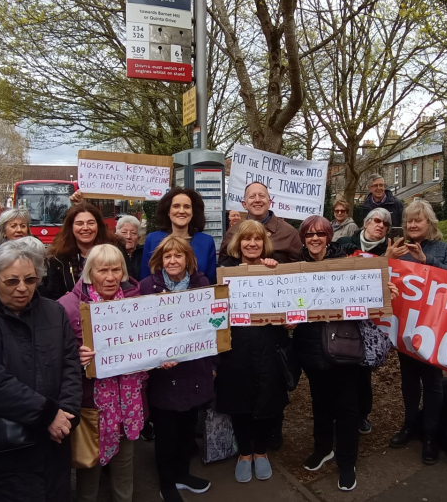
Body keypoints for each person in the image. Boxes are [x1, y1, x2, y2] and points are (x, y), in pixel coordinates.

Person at [0, 239, 81, 502]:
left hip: (53, 443)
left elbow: (70, 364)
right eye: (12, 281)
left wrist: (66, 414)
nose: (22, 288)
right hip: (3, 450)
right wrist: (48, 414)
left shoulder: (54, 312)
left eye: (31, 280)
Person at [58, 244, 145, 502]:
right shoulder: (68, 306)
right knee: (89, 465)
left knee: (125, 462)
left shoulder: (136, 303)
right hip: (92, 404)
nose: (110, 277)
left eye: (116, 269)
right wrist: (76, 358)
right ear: (89, 273)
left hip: (129, 401)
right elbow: (51, 356)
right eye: (103, 270)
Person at [140, 236, 214, 502]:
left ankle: (184, 474)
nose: (172, 261)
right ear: (160, 260)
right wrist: (159, 356)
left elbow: (211, 325)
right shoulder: (147, 287)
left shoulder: (202, 284)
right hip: (162, 374)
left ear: (188, 259)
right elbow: (140, 329)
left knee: (186, 429)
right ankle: (166, 482)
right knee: (166, 432)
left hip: (194, 369)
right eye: (167, 256)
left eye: (178, 256)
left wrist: (213, 364)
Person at [388, 199, 447, 465]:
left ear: (429, 222)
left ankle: (430, 433)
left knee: (432, 381)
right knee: (408, 379)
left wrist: (426, 260)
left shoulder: (445, 248)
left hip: (435, 328)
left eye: (418, 220)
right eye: (409, 220)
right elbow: (380, 278)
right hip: (406, 325)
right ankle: (410, 425)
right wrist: (388, 260)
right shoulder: (400, 250)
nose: (412, 224)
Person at [292, 215, 361, 491]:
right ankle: (323, 448)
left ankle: (347, 462)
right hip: (311, 348)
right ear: (304, 239)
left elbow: (367, 295)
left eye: (320, 234)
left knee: (346, 407)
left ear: (329, 237)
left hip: (343, 345)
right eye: (309, 235)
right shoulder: (294, 268)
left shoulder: (347, 265)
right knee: (320, 402)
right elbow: (290, 302)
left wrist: (383, 291)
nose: (315, 239)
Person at [217, 220, 287, 483]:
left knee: (267, 399)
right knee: (239, 401)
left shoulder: (276, 269)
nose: (252, 244)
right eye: (247, 239)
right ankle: (245, 452)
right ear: (238, 243)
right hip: (236, 347)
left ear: (264, 243)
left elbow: (292, 303)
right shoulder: (224, 271)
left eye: (257, 239)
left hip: (269, 344)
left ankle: (261, 451)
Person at [337, 207, 394, 435]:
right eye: (377, 221)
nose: (381, 226)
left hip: (369, 321)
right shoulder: (344, 242)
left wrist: (388, 259)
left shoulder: (389, 250)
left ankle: (362, 414)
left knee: (362, 370)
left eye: (386, 224)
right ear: (367, 223)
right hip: (341, 315)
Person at [42, 203, 127, 300]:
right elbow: (53, 295)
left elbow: (128, 283)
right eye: (79, 223)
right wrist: (66, 300)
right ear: (71, 227)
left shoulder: (116, 249)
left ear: (98, 226)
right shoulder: (58, 259)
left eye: (91, 223)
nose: (85, 228)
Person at [140, 188, 217, 284]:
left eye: (187, 207)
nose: (181, 211)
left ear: (193, 212)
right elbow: (145, 279)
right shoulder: (152, 239)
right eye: (176, 206)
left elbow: (211, 281)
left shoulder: (206, 242)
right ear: (168, 211)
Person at [218, 182, 302, 265]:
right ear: (244, 204)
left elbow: (300, 267)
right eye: (252, 196)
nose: (257, 200)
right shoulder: (233, 232)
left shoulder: (289, 232)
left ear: (269, 202)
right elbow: (223, 268)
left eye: (261, 196)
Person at [116, 215, 144, 282]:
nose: (128, 236)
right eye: (124, 232)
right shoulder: (111, 254)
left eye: (133, 233)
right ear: (116, 236)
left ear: (138, 238)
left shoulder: (144, 253)